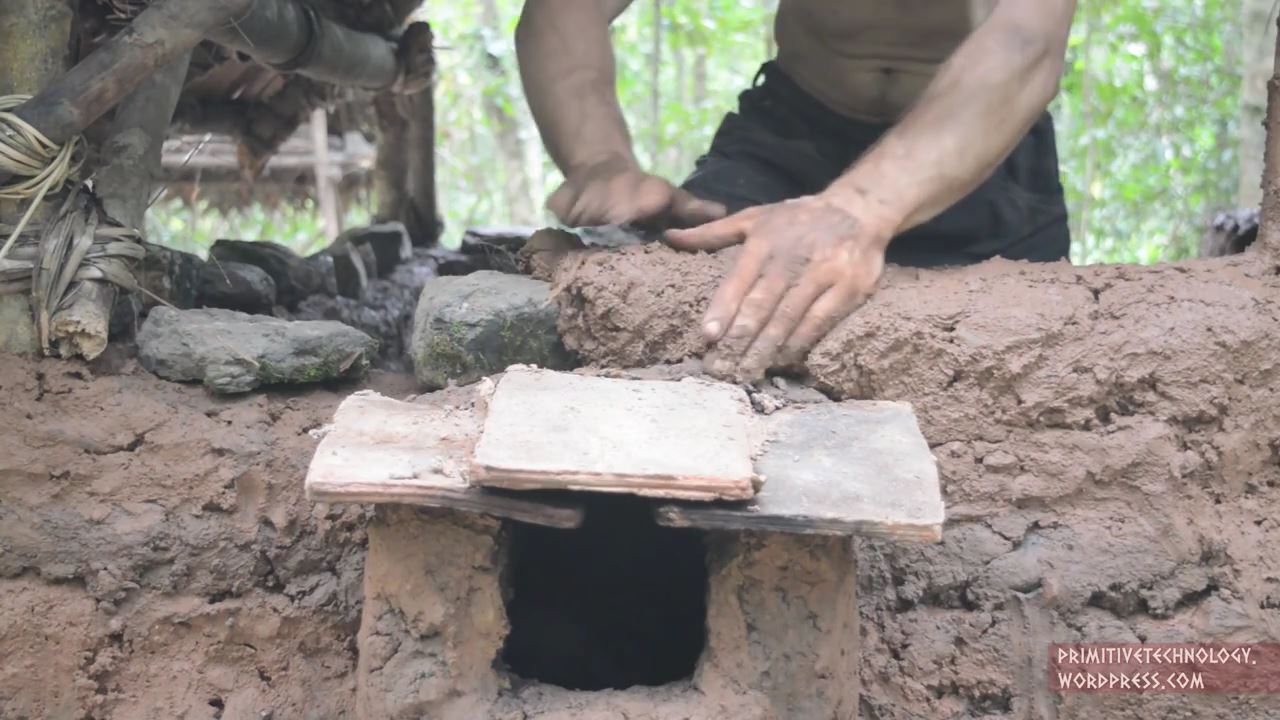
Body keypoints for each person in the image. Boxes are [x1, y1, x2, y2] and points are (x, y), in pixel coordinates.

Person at [515, 0, 1077, 379]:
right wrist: (598, 157)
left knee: (1021, 366)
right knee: (695, 327)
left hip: (981, 147)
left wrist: (859, 210)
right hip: (788, 136)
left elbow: (1026, 40)